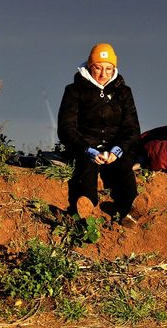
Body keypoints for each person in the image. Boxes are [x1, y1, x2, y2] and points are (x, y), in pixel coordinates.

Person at [58, 43, 142, 226]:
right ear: (89, 66)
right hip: (85, 145)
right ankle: (86, 211)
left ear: (114, 69)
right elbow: (66, 128)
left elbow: (132, 128)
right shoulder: (73, 91)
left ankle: (128, 210)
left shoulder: (123, 92)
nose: (103, 74)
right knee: (86, 168)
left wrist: (118, 150)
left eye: (109, 69)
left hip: (115, 147)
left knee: (124, 166)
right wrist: (86, 149)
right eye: (98, 68)